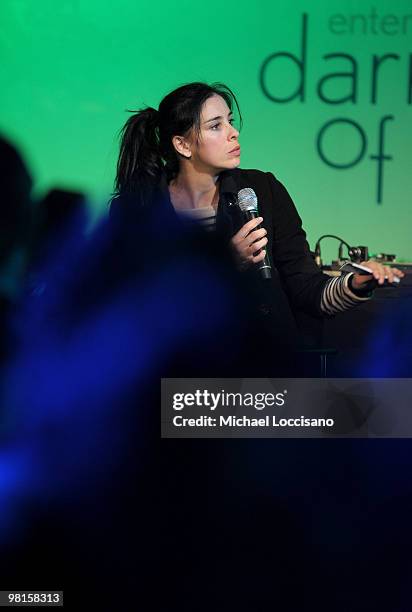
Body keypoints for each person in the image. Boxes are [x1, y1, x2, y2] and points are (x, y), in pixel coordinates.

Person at [110, 82, 404, 366]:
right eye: (216, 125)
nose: (234, 133)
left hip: (260, 377)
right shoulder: (139, 208)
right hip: (172, 381)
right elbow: (132, 312)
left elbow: (307, 290)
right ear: (183, 144)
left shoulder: (263, 190)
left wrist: (355, 284)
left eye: (230, 121)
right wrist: (227, 263)